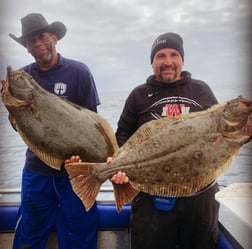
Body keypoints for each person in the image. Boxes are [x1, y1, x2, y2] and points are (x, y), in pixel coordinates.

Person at [110, 32, 220, 249]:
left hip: (200, 199)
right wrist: (120, 168)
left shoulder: (201, 90)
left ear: (182, 60)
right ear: (152, 62)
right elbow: (121, 138)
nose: (168, 62)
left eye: (174, 55)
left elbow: (219, 133)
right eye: (160, 56)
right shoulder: (138, 96)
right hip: (152, 200)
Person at [9, 13, 100, 249]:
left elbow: (92, 122)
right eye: (31, 40)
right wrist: (11, 106)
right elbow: (19, 126)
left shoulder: (79, 72)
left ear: (54, 38)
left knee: (80, 232)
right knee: (30, 230)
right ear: (27, 48)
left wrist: (86, 161)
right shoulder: (22, 77)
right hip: (36, 171)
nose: (37, 43)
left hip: (75, 172)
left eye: (41, 36)